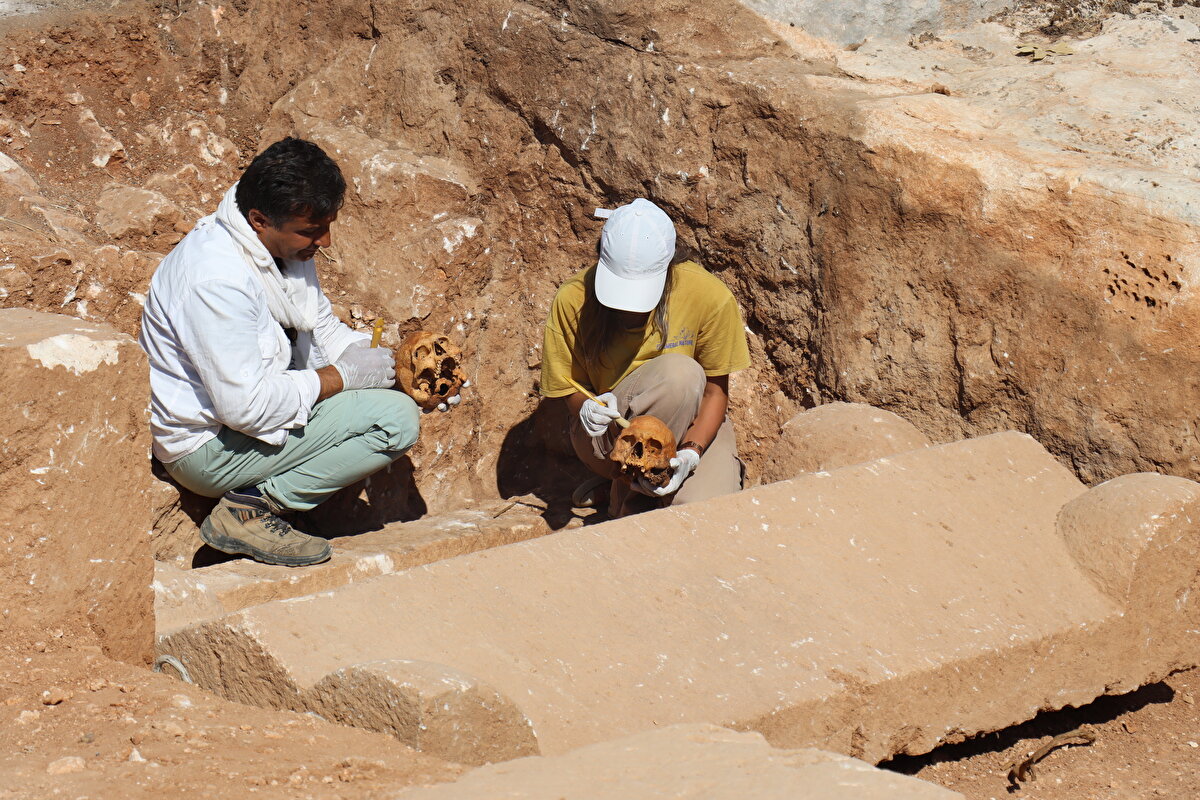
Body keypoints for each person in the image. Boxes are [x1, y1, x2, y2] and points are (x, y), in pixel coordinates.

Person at [139, 137, 422, 567]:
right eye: (311, 231)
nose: (324, 242)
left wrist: (398, 368)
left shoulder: (278, 245)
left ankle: (255, 502)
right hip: (208, 446)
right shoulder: (216, 280)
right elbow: (245, 408)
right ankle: (250, 509)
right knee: (395, 420)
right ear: (259, 219)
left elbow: (321, 326)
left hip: (246, 420)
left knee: (392, 398)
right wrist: (343, 377)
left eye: (328, 225)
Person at [540, 198, 751, 518]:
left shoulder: (708, 296)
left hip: (690, 428)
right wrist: (585, 407)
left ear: (669, 266)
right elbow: (569, 387)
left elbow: (715, 393)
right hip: (609, 437)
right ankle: (626, 494)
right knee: (679, 375)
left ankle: (634, 487)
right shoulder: (573, 299)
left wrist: (691, 453)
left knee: (707, 513)